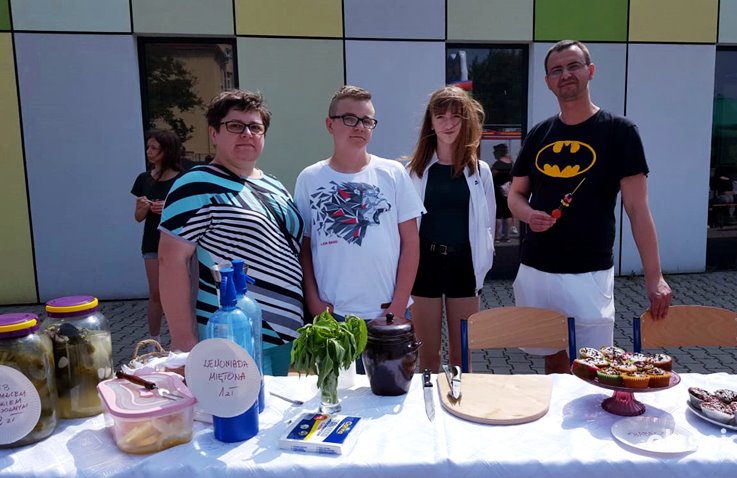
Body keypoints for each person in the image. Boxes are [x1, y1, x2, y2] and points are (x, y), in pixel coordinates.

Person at [508, 40, 673, 374]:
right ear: (548, 81)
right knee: (552, 358)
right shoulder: (539, 134)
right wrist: (528, 215)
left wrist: (654, 278)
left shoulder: (619, 132)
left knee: (592, 365)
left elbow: (637, 210)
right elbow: (516, 195)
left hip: (589, 272)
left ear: (590, 71)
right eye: (556, 70)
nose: (565, 75)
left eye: (573, 66)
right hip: (537, 268)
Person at [158, 89, 304, 376]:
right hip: (234, 335)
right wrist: (183, 341)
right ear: (214, 133)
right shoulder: (196, 184)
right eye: (235, 126)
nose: (247, 134)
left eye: (255, 127)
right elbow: (170, 261)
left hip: (290, 335)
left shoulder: (274, 185)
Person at [295, 85, 424, 329]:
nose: (360, 127)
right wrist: (313, 302)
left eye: (367, 120)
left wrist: (397, 306)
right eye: (349, 118)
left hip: (386, 313)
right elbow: (305, 247)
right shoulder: (309, 179)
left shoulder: (393, 173)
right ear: (330, 124)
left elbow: (411, 243)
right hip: (333, 315)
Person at [406, 86, 496, 371]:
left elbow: (488, 224)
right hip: (424, 265)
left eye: (456, 116)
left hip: (464, 266)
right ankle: (427, 401)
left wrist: (485, 261)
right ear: (430, 123)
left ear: (466, 121)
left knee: (463, 358)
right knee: (427, 358)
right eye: (441, 116)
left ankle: (460, 400)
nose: (448, 124)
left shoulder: (479, 171)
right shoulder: (413, 171)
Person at [131, 129, 184, 347]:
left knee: (181, 292)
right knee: (155, 294)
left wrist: (169, 209)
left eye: (154, 148)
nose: (148, 151)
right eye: (148, 147)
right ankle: (154, 342)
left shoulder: (182, 179)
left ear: (167, 150)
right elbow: (137, 218)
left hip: (180, 244)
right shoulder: (143, 179)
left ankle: (182, 339)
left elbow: (190, 213)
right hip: (152, 243)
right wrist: (143, 208)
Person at [491, 143, 515, 242]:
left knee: (498, 214)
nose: (494, 153)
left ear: (499, 152)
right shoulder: (511, 163)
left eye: (495, 151)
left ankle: (496, 237)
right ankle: (506, 236)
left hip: (498, 190)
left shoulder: (498, 164)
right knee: (507, 213)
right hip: (508, 190)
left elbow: (491, 176)